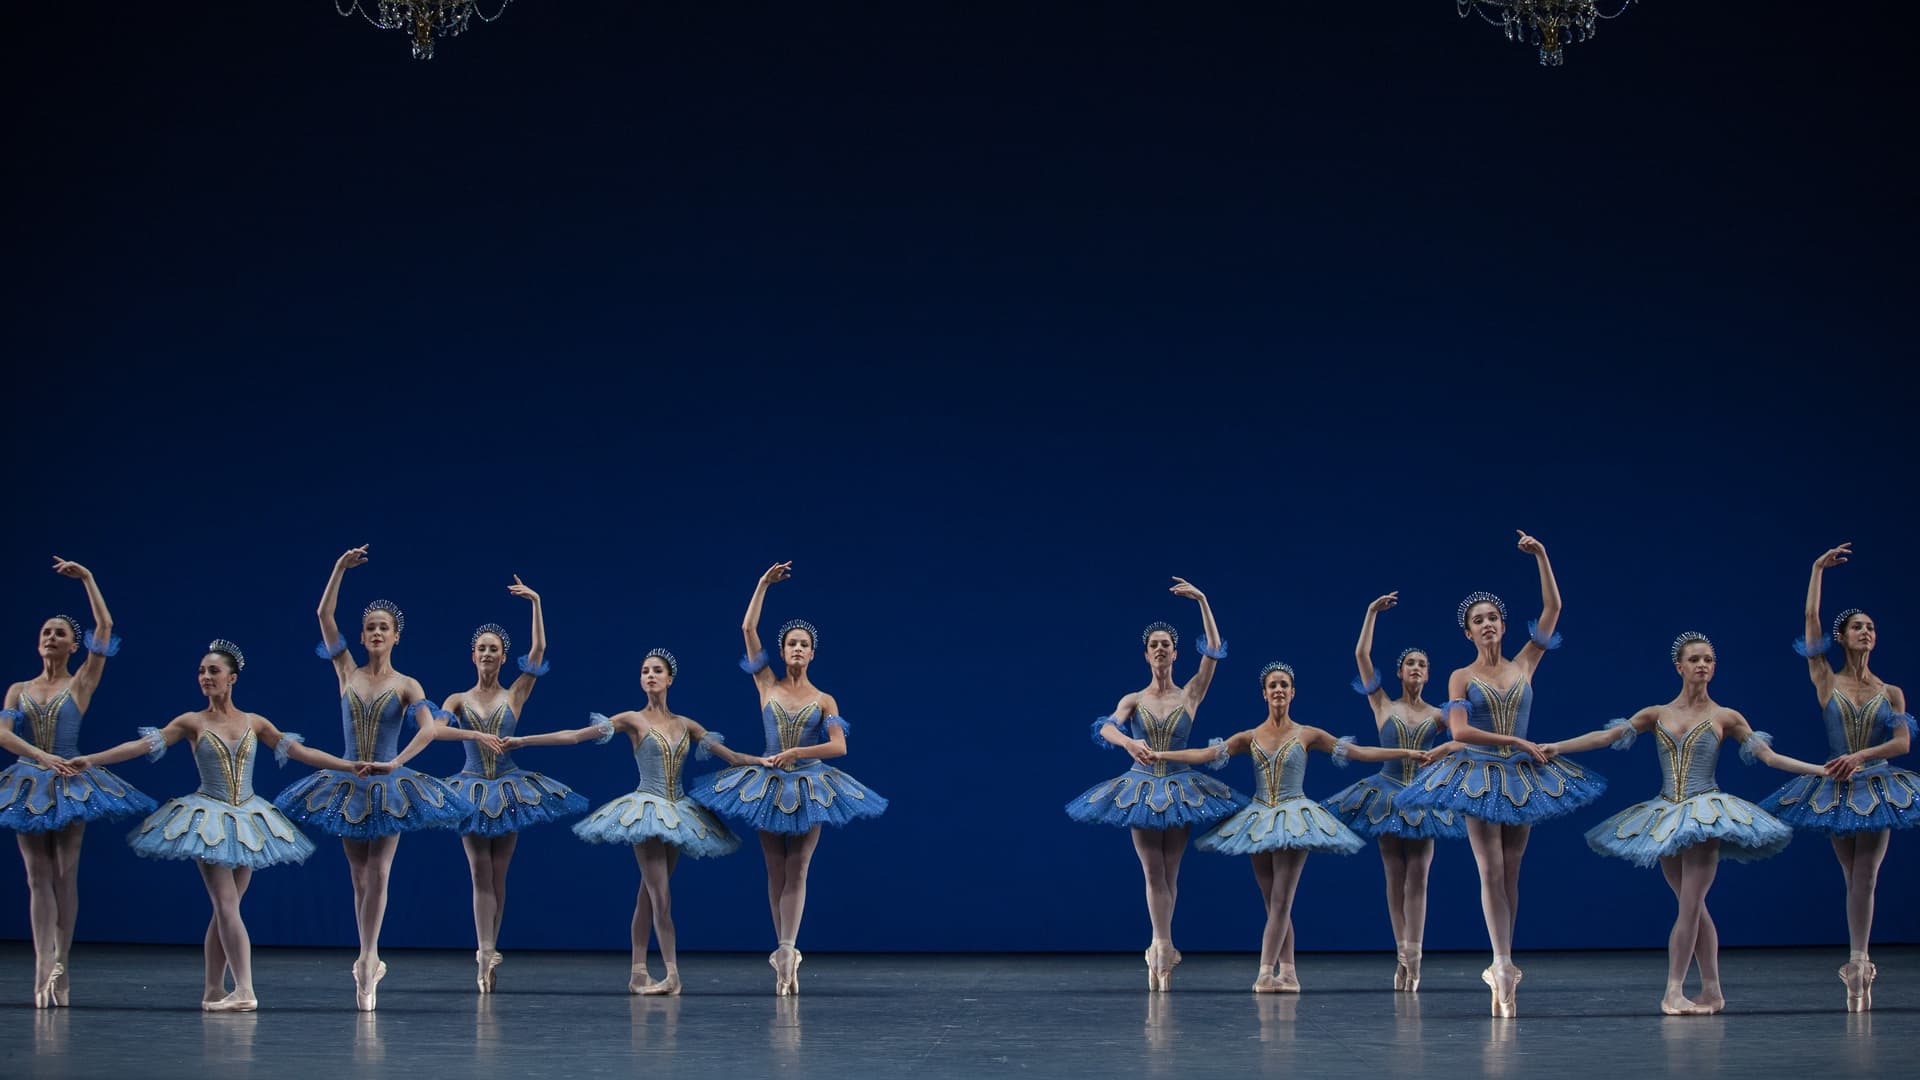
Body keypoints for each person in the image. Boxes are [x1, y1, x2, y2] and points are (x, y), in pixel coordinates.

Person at [65, 639, 377, 1011]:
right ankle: (244, 989)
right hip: (208, 819)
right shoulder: (191, 722)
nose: (205, 676)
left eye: (213, 670)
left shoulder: (253, 721)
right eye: (201, 670)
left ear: (232, 678)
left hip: (248, 819)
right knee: (226, 904)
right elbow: (142, 746)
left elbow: (300, 752)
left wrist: (347, 765)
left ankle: (214, 989)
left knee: (225, 908)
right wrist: (92, 759)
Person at [1545, 632, 1821, 1014]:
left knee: (1690, 905)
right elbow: (1607, 735)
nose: (1702, 665)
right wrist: (1558, 746)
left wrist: (1820, 770)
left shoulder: (1726, 716)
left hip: (1706, 814)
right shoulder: (1657, 713)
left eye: (1708, 659)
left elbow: (1770, 758)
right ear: (1680, 667)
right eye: (1695, 659)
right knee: (1693, 906)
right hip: (1665, 814)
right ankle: (1713, 991)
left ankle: (1673, 990)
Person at [1397, 531, 1607, 1017]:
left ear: (1503, 625)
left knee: (1512, 871)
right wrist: (1513, 740)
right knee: (1489, 867)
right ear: (1467, 633)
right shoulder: (1459, 676)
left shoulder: (1524, 664)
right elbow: (1460, 728)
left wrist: (1542, 556)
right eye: (1478, 621)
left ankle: (1504, 965)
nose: (1487, 624)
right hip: (1478, 774)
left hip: (1522, 778)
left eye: (1492, 617)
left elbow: (1554, 609)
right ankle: (1501, 960)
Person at [272, 545, 475, 1010]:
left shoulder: (409, 686)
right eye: (370, 628)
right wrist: (339, 567)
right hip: (346, 782)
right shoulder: (346, 671)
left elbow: (430, 729)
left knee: (379, 872)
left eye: (384, 627)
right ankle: (368, 957)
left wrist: (395, 762)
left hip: (389, 784)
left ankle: (368, 959)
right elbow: (324, 614)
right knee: (358, 875)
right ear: (362, 636)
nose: (376, 632)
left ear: (396, 636)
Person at [686, 562, 887, 994]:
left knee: (799, 867)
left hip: (811, 783)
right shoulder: (767, 684)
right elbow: (746, 629)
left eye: (804, 645)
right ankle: (783, 955)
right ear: (783, 651)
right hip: (767, 785)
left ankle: (788, 948)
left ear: (813, 653)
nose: (797, 649)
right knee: (774, 869)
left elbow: (839, 747)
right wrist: (761, 584)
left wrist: (797, 751)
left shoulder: (824, 697)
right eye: (792, 643)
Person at [1170, 661, 1424, 992]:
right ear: (1264, 693)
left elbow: (1358, 752)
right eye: (1272, 685)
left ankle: (1264, 972)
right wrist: (1164, 757)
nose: (1278, 690)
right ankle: (1288, 972)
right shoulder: (1249, 736)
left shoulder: (1307, 734)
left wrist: (1406, 752)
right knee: (1271, 902)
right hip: (1258, 819)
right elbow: (1206, 754)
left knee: (1281, 902)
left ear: (1292, 693)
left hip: (1294, 819)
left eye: (1283, 685)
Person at [519, 647, 749, 995]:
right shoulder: (632, 719)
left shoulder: (686, 725)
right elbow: (575, 736)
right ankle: (672, 974)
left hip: (679, 812)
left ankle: (638, 972)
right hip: (646, 811)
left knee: (647, 895)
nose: (650, 675)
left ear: (670, 678)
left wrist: (767, 761)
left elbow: (732, 757)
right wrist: (522, 741)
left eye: (657, 670)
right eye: (644, 671)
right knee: (660, 895)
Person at [1066, 577, 1247, 991]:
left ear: (1176, 653)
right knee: (1153, 872)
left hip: (1181, 787)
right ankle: (1161, 945)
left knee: (1172, 871)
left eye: (1168, 644)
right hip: (1142, 787)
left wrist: (1203, 599)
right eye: (1155, 645)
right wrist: (1130, 742)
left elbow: (1215, 653)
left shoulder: (1190, 695)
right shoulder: (1134, 698)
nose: (1162, 648)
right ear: (1147, 655)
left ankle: (1159, 949)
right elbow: (1106, 726)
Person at [1758, 543, 1917, 1011]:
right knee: (1851, 875)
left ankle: (1858, 962)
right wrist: (1815, 570)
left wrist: (1862, 756)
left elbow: (1903, 744)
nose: (1866, 632)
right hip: (1835, 787)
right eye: (1857, 627)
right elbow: (1809, 620)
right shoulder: (1826, 678)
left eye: (1870, 628)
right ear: (1842, 637)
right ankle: (1857, 964)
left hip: (1879, 783)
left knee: (1865, 875)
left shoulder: (1892, 691)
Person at [0, 556, 154, 1008]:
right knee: (36, 876)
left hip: (71, 779)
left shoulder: (81, 682)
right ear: (38, 643)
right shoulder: (18, 690)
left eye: (60, 634)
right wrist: (39, 755)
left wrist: (88, 578)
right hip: (29, 782)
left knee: (65, 875)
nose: (51, 638)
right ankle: (40, 965)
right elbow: (3, 733)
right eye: (46, 632)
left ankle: (61, 964)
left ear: (72, 646)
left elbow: (104, 629)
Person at [439, 577, 589, 993]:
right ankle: (482, 950)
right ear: (473, 656)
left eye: (494, 649)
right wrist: (472, 735)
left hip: (508, 789)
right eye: (482, 648)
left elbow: (539, 652)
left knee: (500, 874)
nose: (488, 653)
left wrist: (537, 602)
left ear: (504, 658)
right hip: (469, 787)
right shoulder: (456, 699)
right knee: (478, 871)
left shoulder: (516, 694)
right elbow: (436, 731)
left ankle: (491, 948)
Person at [1321, 592, 1465, 992]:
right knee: (1393, 873)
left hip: (1421, 796)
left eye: (1422, 664)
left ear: (1428, 674)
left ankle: (1414, 957)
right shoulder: (1383, 704)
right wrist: (1370, 613)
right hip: (1385, 794)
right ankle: (1401, 953)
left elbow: (1464, 740)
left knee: (1418, 876)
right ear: (1400, 673)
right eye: (1410, 664)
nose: (1416, 668)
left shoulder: (1438, 714)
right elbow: (1361, 657)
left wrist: (1442, 749)